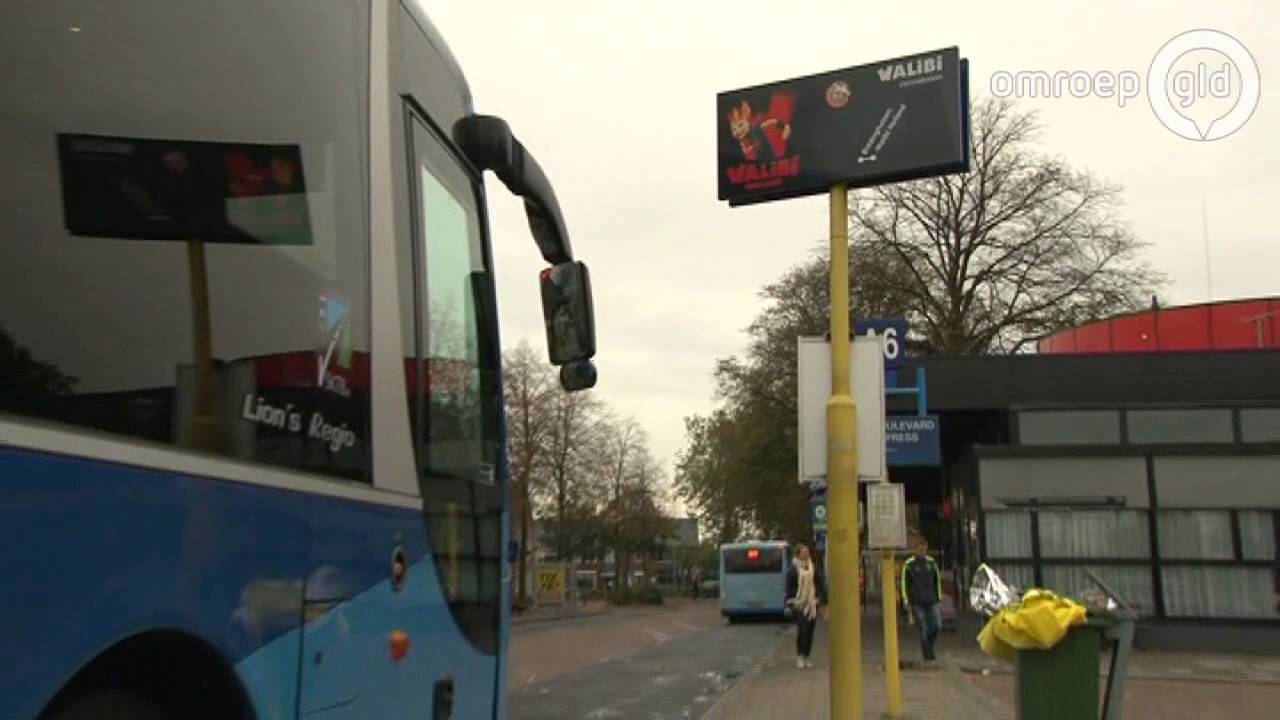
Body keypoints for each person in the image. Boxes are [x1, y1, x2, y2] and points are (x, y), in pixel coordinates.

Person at [901, 537, 943, 662]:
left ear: (926, 548)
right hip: (917, 601)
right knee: (924, 627)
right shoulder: (909, 565)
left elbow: (937, 581)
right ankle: (927, 653)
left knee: (936, 625)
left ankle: (929, 647)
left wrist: (938, 597)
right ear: (915, 549)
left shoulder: (931, 563)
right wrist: (906, 600)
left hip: (931, 600)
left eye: (923, 548)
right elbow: (905, 583)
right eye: (919, 548)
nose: (921, 550)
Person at [785, 543, 825, 669]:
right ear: (798, 554)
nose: (806, 553)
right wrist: (788, 604)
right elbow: (788, 588)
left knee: (810, 632)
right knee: (802, 631)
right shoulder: (793, 569)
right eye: (804, 551)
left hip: (812, 604)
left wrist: (821, 599)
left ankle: (807, 656)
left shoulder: (813, 568)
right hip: (799, 604)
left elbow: (820, 584)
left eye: (807, 551)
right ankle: (800, 656)